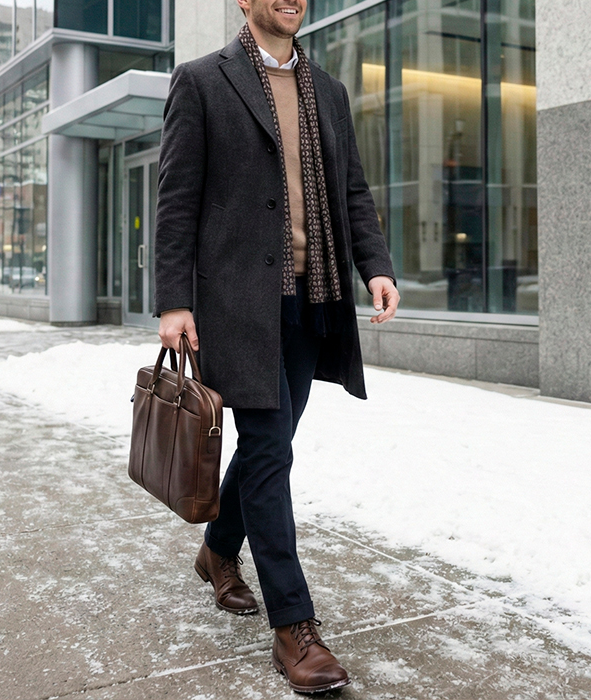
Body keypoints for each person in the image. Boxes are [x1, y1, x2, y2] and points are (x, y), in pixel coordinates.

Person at [153, 0, 399, 692]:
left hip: (312, 297)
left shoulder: (329, 90)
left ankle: (216, 550)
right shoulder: (203, 80)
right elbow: (177, 197)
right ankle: (294, 627)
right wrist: (173, 300)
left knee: (271, 446)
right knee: (269, 450)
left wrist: (375, 266)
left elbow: (352, 190)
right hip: (237, 305)